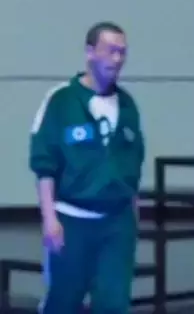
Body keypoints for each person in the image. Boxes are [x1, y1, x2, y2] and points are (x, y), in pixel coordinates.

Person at [29, 21, 145, 313]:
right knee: (63, 301)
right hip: (72, 221)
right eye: (110, 51)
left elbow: (133, 169)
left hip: (117, 224)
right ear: (90, 52)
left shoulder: (128, 106)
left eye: (122, 52)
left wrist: (133, 220)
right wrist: (49, 219)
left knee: (114, 303)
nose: (117, 59)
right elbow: (44, 165)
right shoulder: (61, 101)